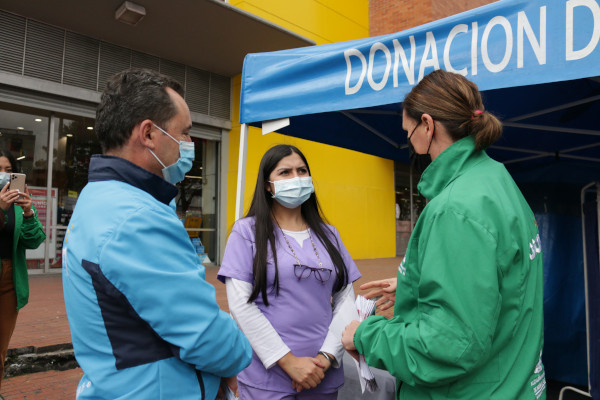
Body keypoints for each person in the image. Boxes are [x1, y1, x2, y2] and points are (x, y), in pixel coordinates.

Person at [342, 69, 546, 399]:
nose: (409, 143)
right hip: (512, 380)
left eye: (407, 134)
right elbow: (495, 283)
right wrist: (415, 287)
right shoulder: (495, 178)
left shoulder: (454, 208)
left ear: (427, 125)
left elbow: (450, 344)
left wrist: (367, 335)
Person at [62, 68, 252, 400]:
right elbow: (204, 335)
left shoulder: (100, 197)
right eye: (186, 133)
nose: (190, 145)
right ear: (149, 134)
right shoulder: (136, 217)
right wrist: (237, 355)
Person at [218, 144, 362, 399]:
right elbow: (241, 304)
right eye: (284, 172)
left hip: (322, 372)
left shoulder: (330, 235)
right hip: (267, 373)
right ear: (267, 185)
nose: (296, 178)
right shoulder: (246, 232)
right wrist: (287, 361)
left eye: (302, 170)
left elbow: (345, 299)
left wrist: (327, 355)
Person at [0, 150, 46, 392]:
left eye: (8, 170)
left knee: (0, 348)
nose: (4, 175)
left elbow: (34, 240)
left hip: (9, 278)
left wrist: (28, 213)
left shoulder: (19, 202)